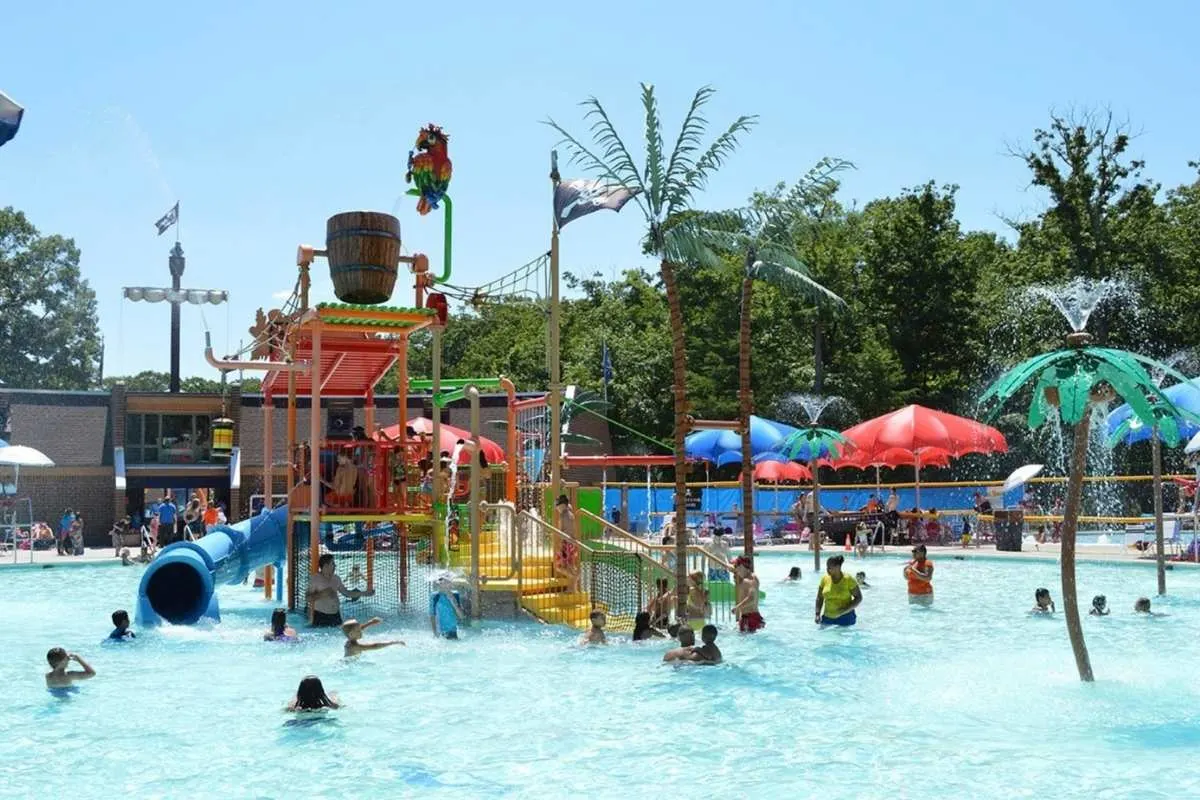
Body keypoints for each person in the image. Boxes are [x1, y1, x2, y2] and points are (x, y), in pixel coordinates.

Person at [307, 553, 374, 627]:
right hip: (321, 616)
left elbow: (347, 593)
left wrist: (364, 593)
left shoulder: (336, 579)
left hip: (336, 616)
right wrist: (322, 594)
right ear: (326, 566)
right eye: (333, 564)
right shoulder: (315, 579)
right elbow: (308, 598)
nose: (335, 566)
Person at [815, 554, 862, 626]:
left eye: (830, 568)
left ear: (838, 567)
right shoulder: (824, 579)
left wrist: (844, 611)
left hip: (846, 618)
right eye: (827, 567)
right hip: (827, 618)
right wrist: (817, 614)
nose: (827, 570)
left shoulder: (848, 579)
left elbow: (859, 598)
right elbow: (819, 598)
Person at [553, 495, 581, 593]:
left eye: (558, 506)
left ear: (563, 505)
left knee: (560, 566)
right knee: (570, 565)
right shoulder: (570, 514)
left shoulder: (563, 515)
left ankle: (574, 579)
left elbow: (561, 531)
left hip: (566, 543)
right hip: (572, 543)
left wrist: (559, 544)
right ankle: (572, 588)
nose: (557, 508)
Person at [731, 556, 764, 633]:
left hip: (749, 619)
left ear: (742, 566)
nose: (735, 569)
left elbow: (751, 598)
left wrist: (737, 608)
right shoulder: (754, 577)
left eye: (736, 566)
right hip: (754, 616)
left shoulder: (747, 581)